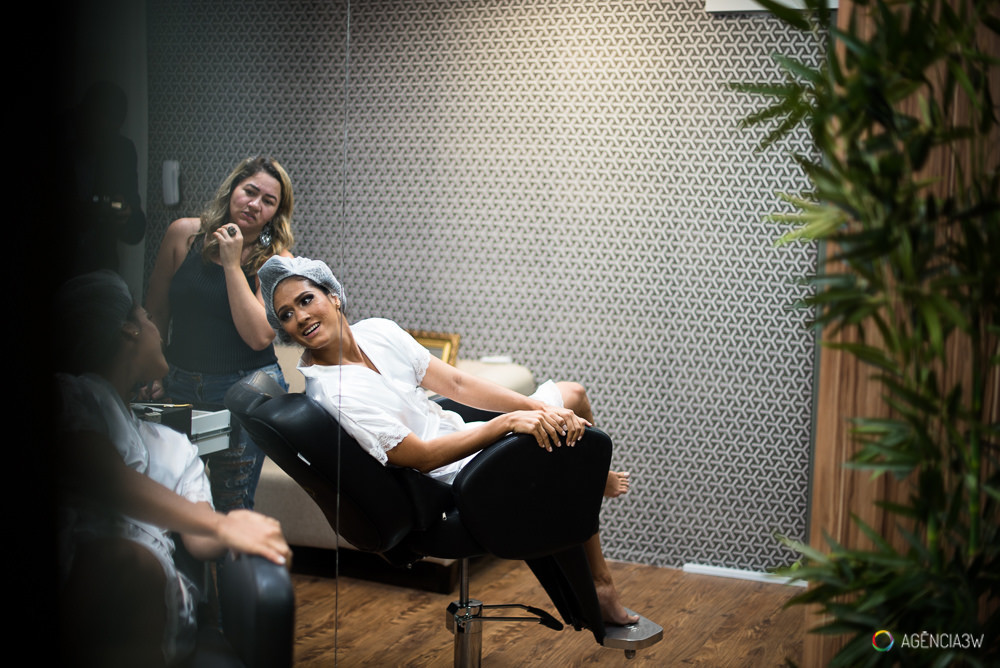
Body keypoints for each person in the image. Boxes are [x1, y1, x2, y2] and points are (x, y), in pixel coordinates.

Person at [259, 255, 638, 626]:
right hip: (455, 478)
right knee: (565, 434)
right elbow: (422, 457)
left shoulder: (377, 332)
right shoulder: (334, 392)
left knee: (571, 396)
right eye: (287, 314)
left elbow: (456, 383)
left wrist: (533, 407)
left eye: (306, 300)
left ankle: (591, 479)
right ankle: (601, 580)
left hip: (462, 435)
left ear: (333, 296)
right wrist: (509, 422)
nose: (301, 317)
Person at [54, 271, 292, 667]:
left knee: (134, 564)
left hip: (154, 595)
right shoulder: (72, 395)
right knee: (120, 560)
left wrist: (239, 529)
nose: (157, 328)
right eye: (148, 317)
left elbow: (198, 541)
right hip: (88, 571)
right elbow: (102, 476)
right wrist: (221, 526)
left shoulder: (175, 446)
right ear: (129, 329)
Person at [145, 156, 294, 516]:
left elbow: (258, 336)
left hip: (246, 390)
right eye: (250, 191)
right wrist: (151, 372)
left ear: (276, 214)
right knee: (172, 500)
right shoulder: (184, 235)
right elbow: (156, 311)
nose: (255, 204)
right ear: (232, 190)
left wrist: (232, 263)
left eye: (268, 201)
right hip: (179, 385)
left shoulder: (277, 260)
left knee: (232, 506)